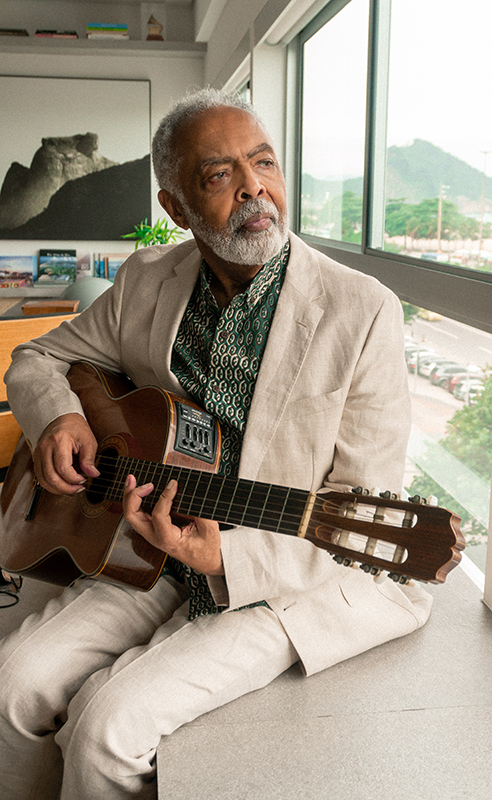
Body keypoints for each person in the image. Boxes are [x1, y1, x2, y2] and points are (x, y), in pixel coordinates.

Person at [0, 88, 432, 800]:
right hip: (150, 547)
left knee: (105, 729)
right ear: (176, 207)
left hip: (287, 570)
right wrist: (57, 420)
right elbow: (37, 358)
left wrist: (223, 557)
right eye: (220, 175)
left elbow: (359, 507)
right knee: (13, 684)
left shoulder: (363, 310)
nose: (254, 187)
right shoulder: (146, 280)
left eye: (264, 162)